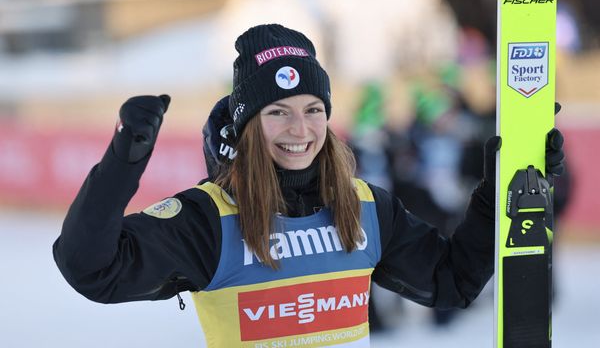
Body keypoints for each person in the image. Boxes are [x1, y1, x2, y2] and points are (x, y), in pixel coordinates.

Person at [53, 24, 565, 347]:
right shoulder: (210, 218)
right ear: (248, 125)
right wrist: (125, 159)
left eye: (313, 110)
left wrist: (493, 190)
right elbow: (90, 269)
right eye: (277, 113)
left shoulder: (364, 206)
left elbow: (452, 281)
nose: (300, 131)